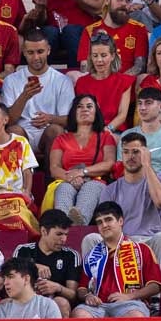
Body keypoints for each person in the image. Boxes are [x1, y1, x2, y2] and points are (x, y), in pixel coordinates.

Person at [82, 131, 161, 277]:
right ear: (121, 155)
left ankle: (156, 297)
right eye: (126, 152)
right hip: (120, 243)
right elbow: (106, 226)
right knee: (91, 239)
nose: (130, 157)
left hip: (148, 241)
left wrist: (147, 166)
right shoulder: (110, 190)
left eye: (136, 152)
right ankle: (97, 290)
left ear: (145, 154)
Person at [73, 201, 161, 321]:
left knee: (137, 318)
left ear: (121, 221)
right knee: (78, 315)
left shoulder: (141, 250)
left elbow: (156, 286)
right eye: (100, 222)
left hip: (130, 304)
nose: (104, 225)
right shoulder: (92, 255)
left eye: (109, 219)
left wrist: (129, 296)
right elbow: (82, 288)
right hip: (98, 307)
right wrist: (88, 296)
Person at [0, 32, 74, 159]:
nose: (35, 57)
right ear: (24, 52)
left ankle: (52, 178)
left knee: (55, 130)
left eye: (40, 52)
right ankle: (18, 179)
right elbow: (7, 121)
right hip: (23, 131)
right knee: (14, 132)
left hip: (47, 132)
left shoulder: (62, 80)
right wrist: (24, 96)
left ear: (48, 50)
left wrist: (50, 118)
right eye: (30, 53)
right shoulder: (11, 80)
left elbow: (69, 120)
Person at [47, 94, 117, 224]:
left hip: (96, 180)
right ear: (74, 112)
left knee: (90, 188)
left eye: (89, 106)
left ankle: (79, 223)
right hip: (67, 180)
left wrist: (82, 172)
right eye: (80, 107)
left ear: (96, 112)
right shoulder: (61, 139)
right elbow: (54, 167)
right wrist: (71, 177)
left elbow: (109, 163)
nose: (85, 109)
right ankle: (62, 225)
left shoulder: (105, 137)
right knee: (64, 189)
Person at [0, 102, 38, 235]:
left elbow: (27, 172)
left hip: (16, 194)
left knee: (17, 215)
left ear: (5, 119)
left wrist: (26, 192)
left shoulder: (20, 142)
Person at [12, 208, 81, 318]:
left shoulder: (71, 256)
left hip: (55, 302)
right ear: (43, 231)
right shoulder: (23, 251)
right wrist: (32, 268)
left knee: (61, 303)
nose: (64, 239)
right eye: (59, 234)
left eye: (66, 234)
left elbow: (73, 295)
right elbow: (11, 282)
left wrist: (58, 288)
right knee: (5, 303)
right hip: (26, 299)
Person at [76, 0, 148, 76]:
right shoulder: (90, 30)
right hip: (99, 82)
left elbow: (139, 66)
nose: (124, 3)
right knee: (73, 76)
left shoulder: (139, 28)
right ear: (106, 0)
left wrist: (117, 82)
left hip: (126, 83)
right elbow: (85, 66)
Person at [120, 88, 161, 186]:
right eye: (139, 103)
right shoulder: (126, 135)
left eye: (148, 103)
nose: (142, 108)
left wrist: (153, 182)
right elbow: (120, 167)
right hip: (133, 184)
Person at [74, 33, 135, 133]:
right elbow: (81, 114)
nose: (99, 60)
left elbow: (122, 115)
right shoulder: (82, 83)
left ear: (112, 56)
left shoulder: (124, 81)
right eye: (95, 55)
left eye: (103, 55)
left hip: (114, 130)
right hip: (90, 131)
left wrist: (107, 130)